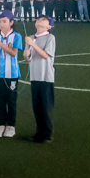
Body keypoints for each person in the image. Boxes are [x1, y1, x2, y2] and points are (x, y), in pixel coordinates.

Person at [0, 9, 23, 139]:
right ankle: (1, 125)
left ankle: (11, 125)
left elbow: (14, 53)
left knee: (11, 100)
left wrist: (1, 45)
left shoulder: (17, 36)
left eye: (4, 21)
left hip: (12, 74)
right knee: (0, 100)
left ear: (11, 22)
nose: (1, 24)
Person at [24, 15, 57, 143]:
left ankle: (47, 133)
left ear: (49, 26)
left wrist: (32, 44)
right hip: (34, 76)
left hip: (45, 77)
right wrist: (26, 54)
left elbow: (45, 55)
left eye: (43, 20)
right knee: (36, 107)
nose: (39, 20)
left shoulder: (50, 37)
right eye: (39, 19)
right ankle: (39, 132)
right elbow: (28, 59)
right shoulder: (31, 38)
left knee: (45, 107)